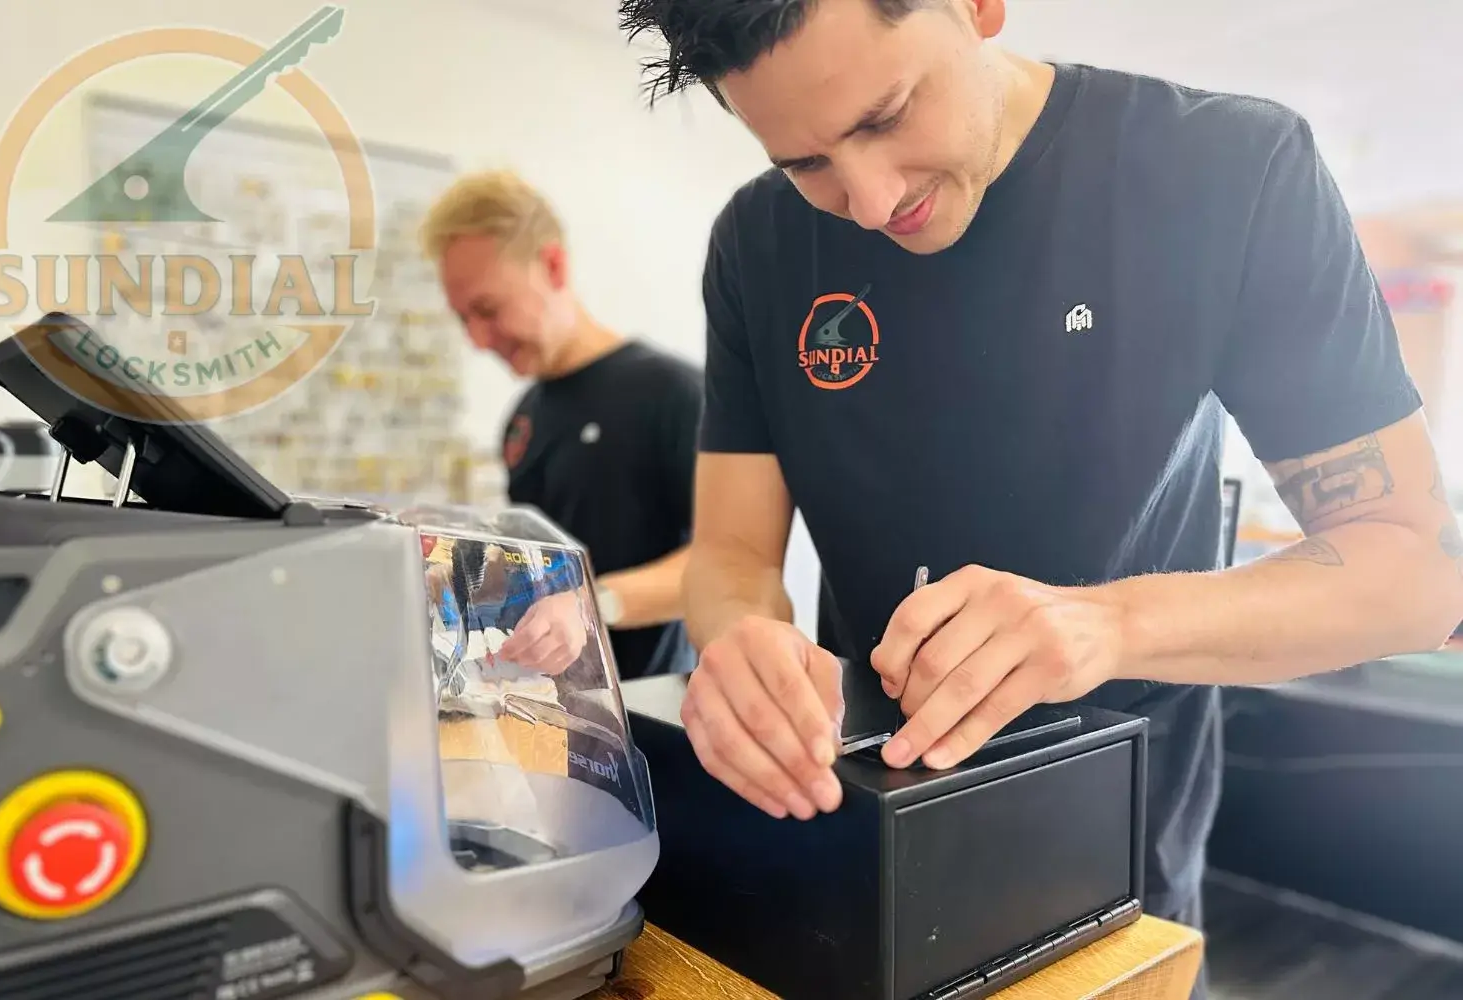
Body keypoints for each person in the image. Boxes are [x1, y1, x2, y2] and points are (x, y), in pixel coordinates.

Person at [616, 0, 1463, 991]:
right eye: (805, 163)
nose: (872, 201)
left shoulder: (1226, 167)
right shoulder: (755, 243)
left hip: (1115, 854)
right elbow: (731, 555)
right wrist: (738, 638)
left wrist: (1103, 624)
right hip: (858, 832)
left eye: (887, 115)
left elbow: (1416, 569)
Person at [420, 169, 703, 680]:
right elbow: (536, 567)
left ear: (552, 265)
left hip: (655, 705)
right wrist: (456, 580)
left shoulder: (674, 393)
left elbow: (726, 562)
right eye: (464, 319)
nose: (478, 340)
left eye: (488, 309)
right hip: (551, 705)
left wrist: (591, 603)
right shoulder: (524, 418)